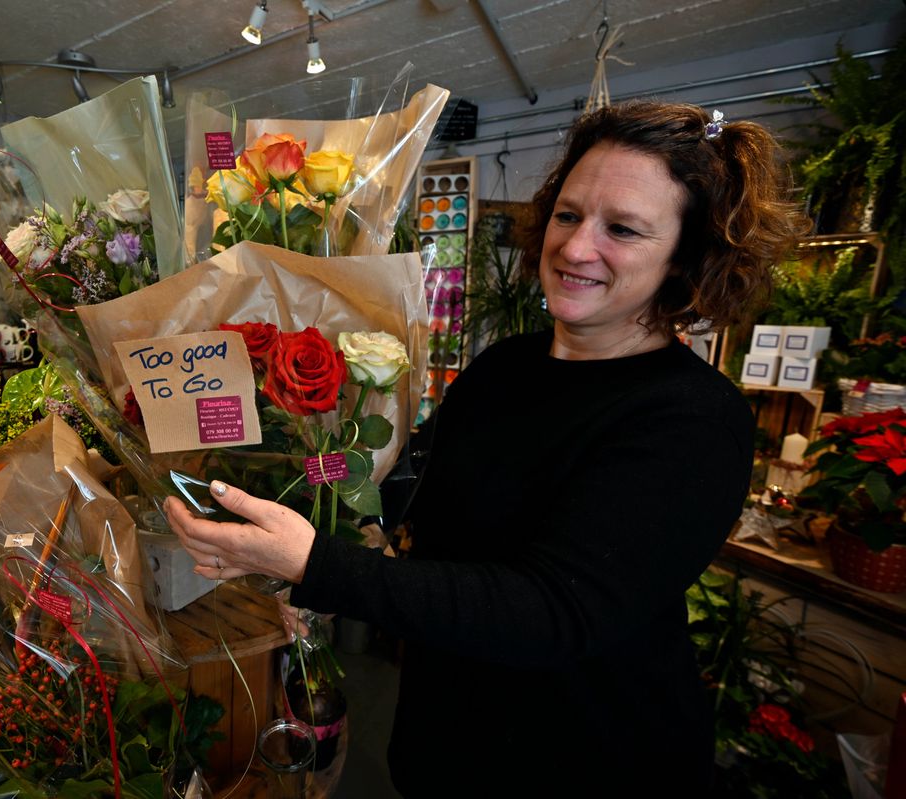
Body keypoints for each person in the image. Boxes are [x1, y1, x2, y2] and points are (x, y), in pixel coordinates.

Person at [164, 101, 807, 795]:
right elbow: (403, 490)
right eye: (568, 214)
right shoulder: (504, 366)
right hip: (446, 747)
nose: (577, 246)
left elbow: (552, 610)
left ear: (685, 256)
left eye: (621, 228)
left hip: (587, 764)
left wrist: (318, 565)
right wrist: (280, 465)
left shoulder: (693, 418)